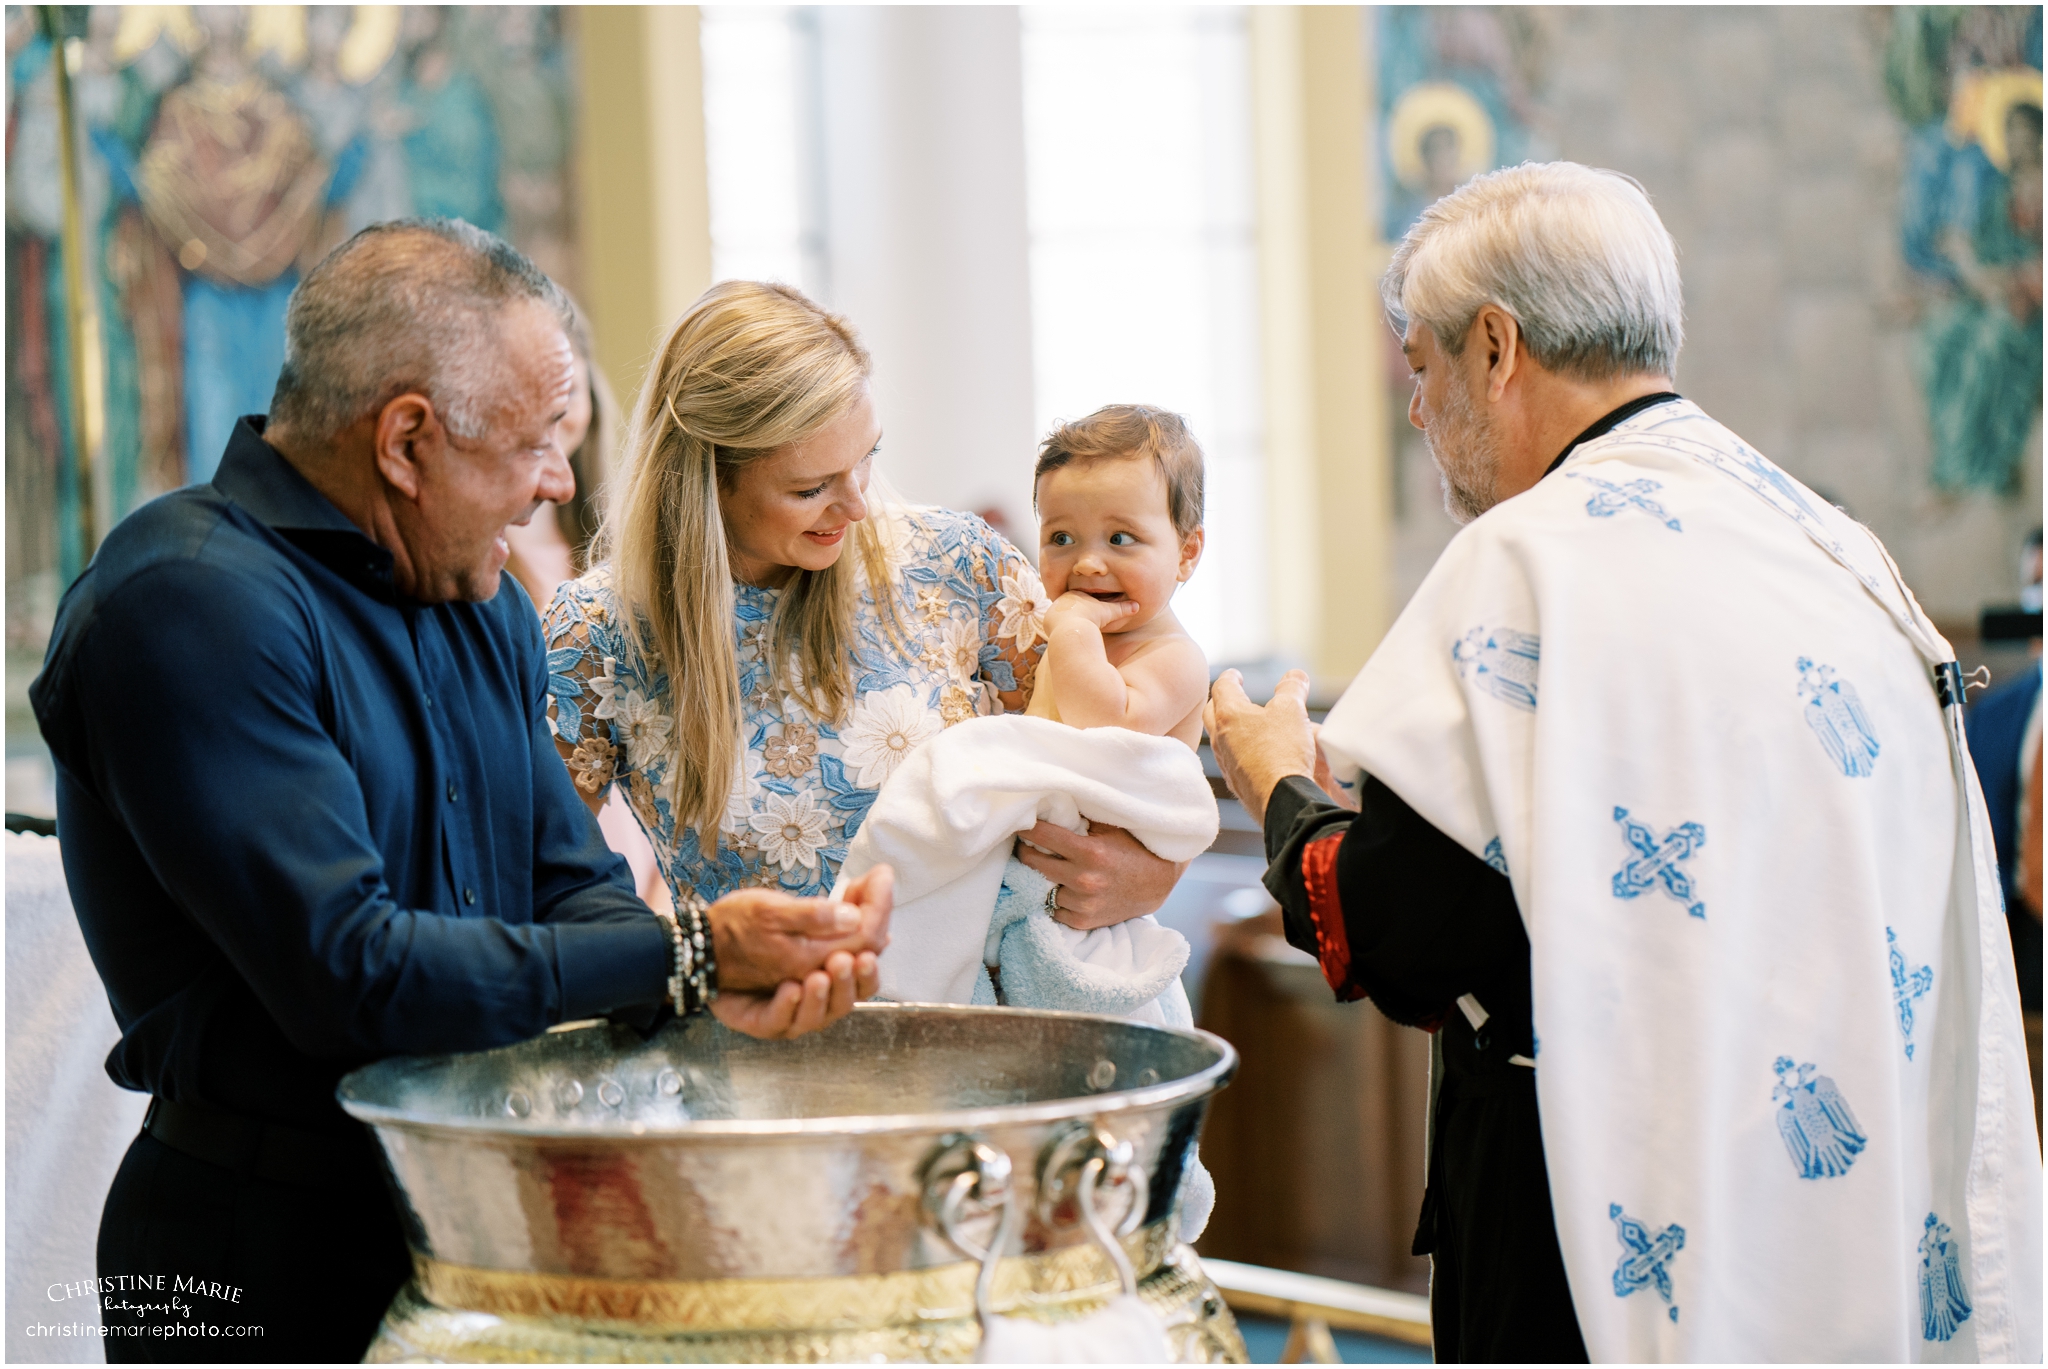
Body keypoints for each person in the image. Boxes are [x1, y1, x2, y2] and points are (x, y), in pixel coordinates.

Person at [1203, 163, 2042, 1362]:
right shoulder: (1828, 543)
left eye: (1420, 367)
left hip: (1592, 1221)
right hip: (1831, 1203)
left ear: (1494, 348)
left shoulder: (1527, 566)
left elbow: (1400, 931)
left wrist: (1272, 779)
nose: (1415, 410)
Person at [29, 219, 890, 1363]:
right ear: (405, 440)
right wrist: (688, 956)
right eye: (538, 443)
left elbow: (572, 888)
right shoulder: (186, 603)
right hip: (244, 1242)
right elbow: (351, 973)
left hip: (473, 1214)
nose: (560, 485)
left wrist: (701, 981)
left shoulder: (483, 605)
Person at [544, 281, 1186, 931]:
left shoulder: (959, 566)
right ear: (708, 477)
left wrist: (1152, 875)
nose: (858, 504)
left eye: (866, 457)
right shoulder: (596, 636)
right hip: (757, 1023)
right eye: (811, 487)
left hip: (989, 1011)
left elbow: (1120, 762)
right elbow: (545, 881)